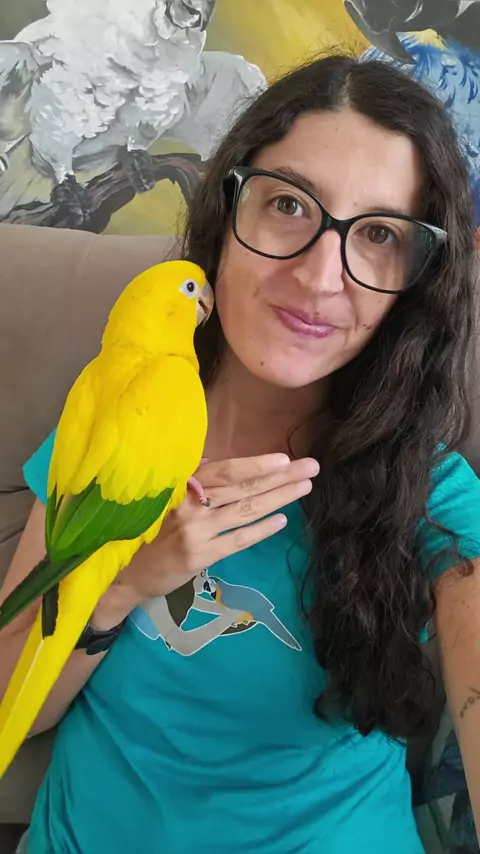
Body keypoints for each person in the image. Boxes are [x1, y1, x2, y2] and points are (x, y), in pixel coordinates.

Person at [2, 52, 480, 854]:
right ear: (226, 215)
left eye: (379, 234)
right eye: (289, 204)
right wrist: (124, 586)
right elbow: (12, 699)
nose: (320, 277)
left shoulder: (432, 492)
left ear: (413, 282)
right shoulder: (113, 421)